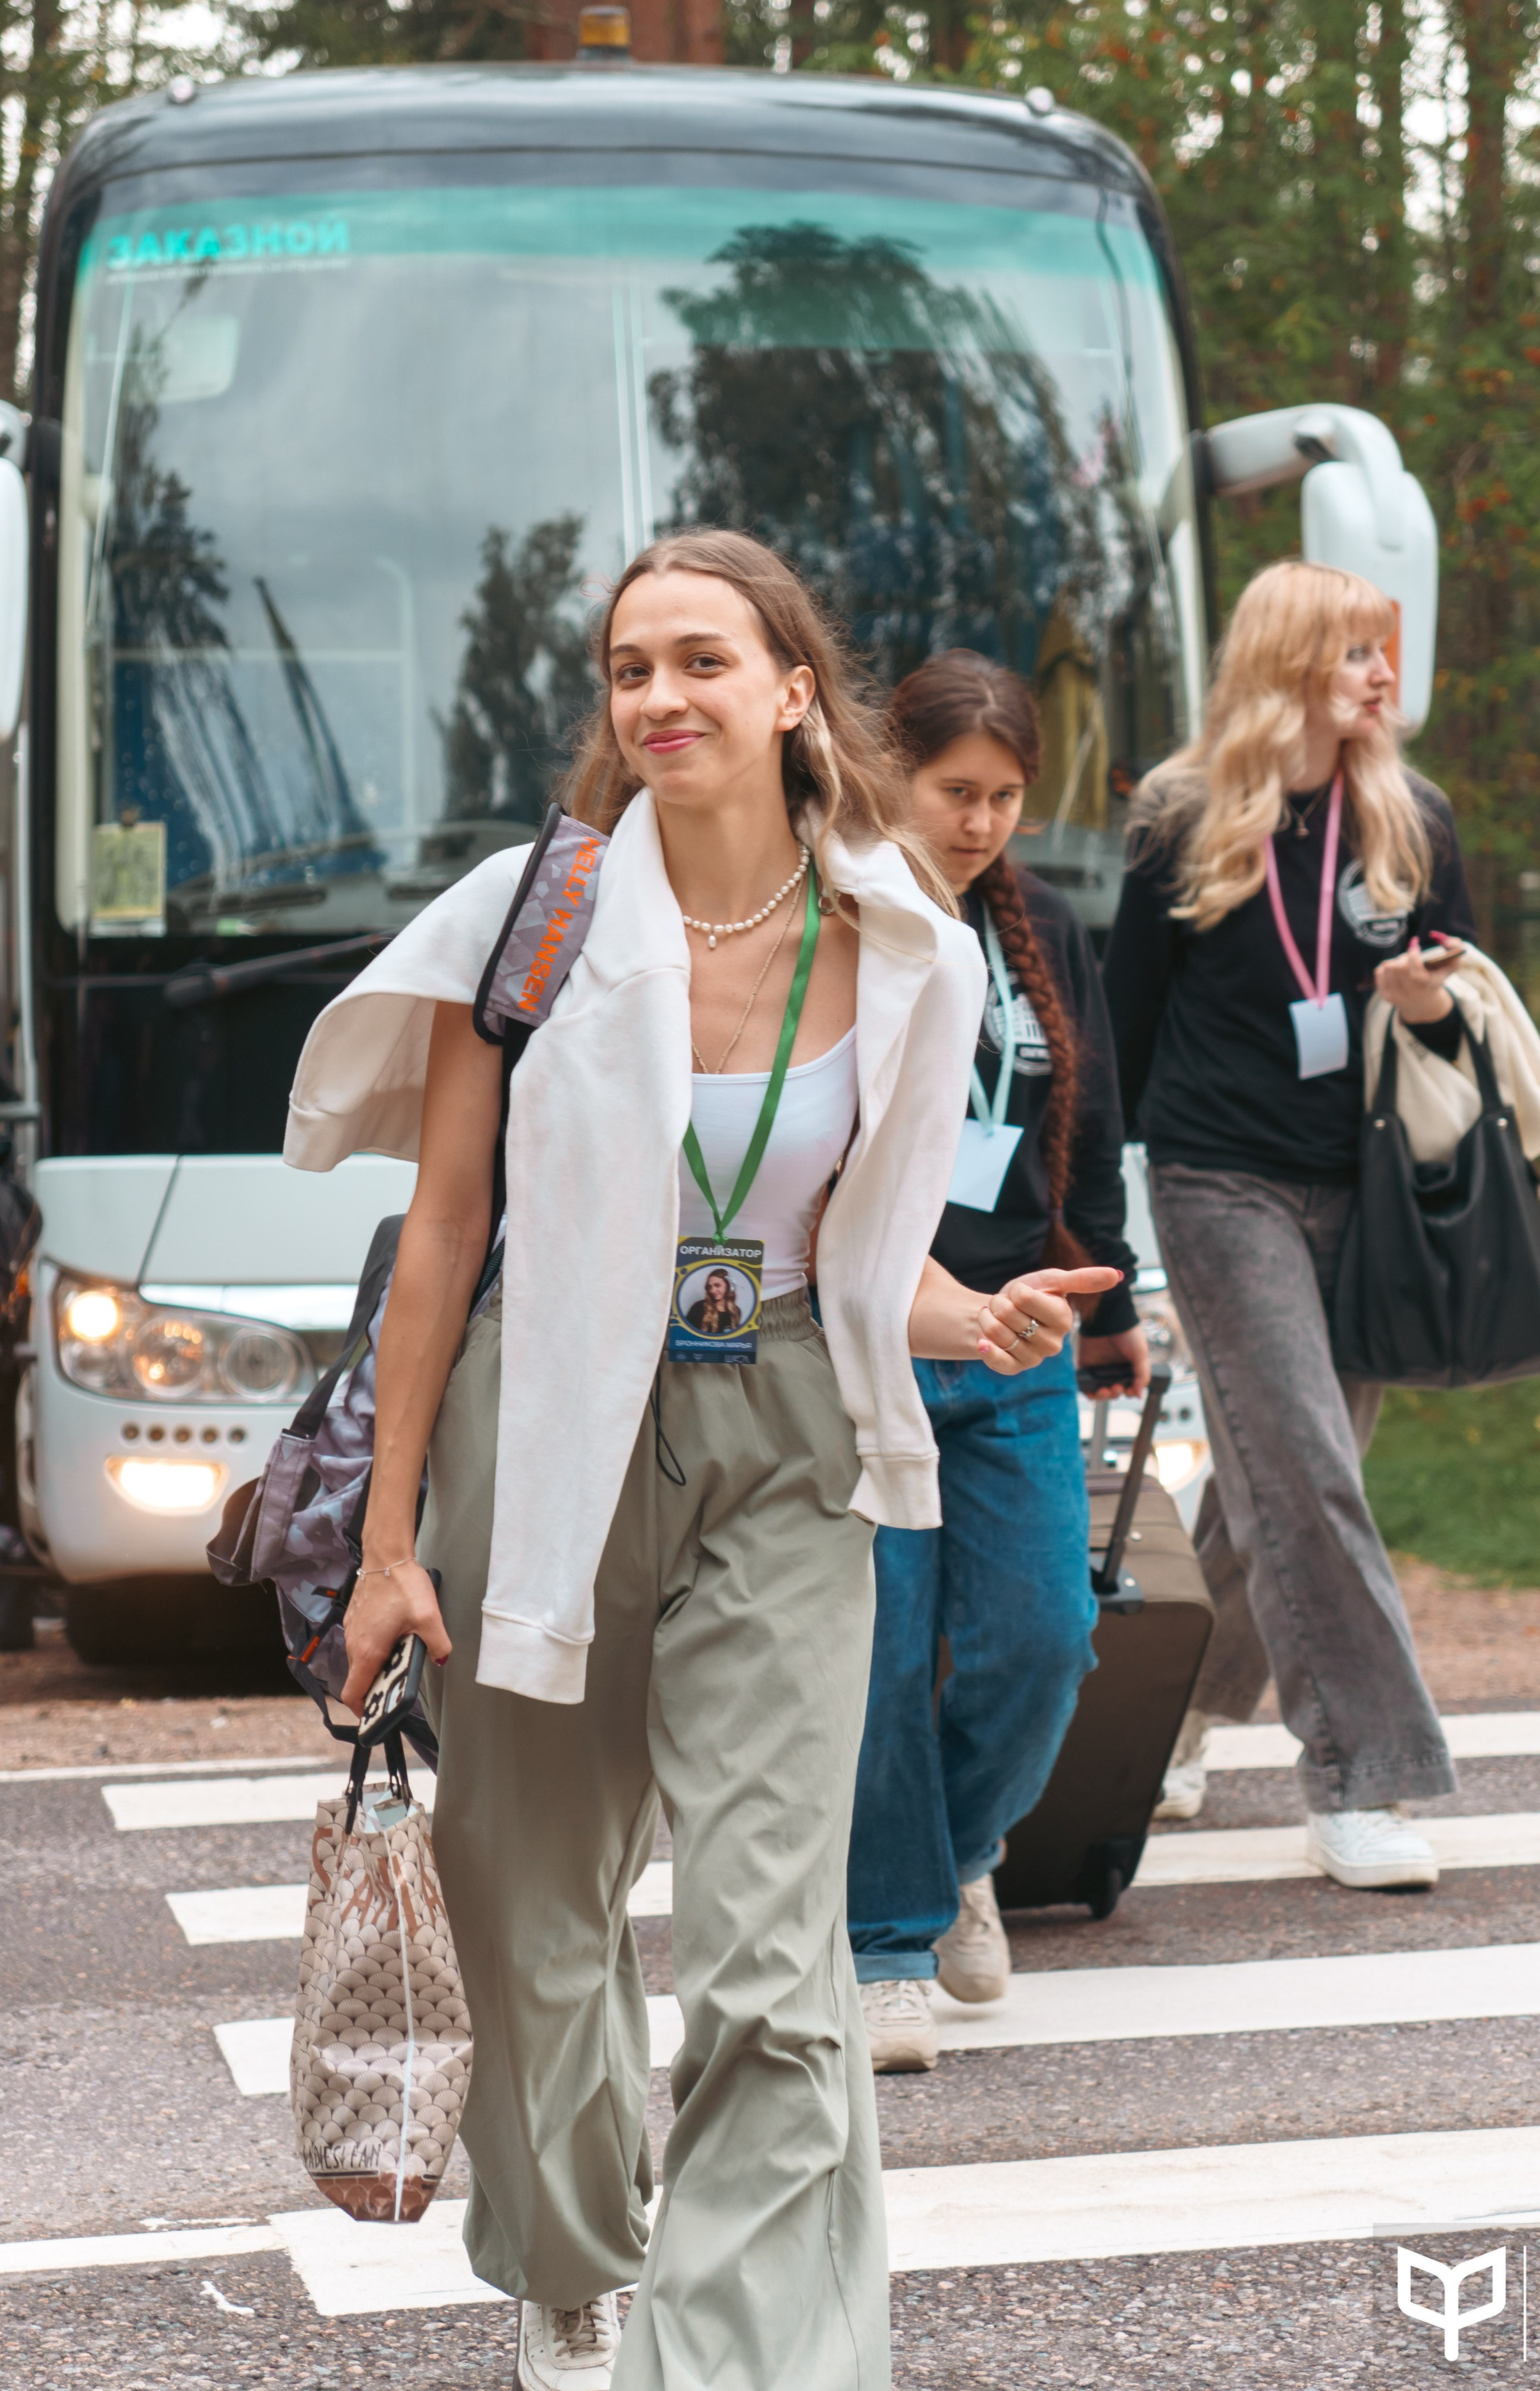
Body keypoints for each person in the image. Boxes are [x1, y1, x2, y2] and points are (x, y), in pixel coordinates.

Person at [285, 529, 1120, 2391]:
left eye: (700, 663)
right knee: (535, 1908)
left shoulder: (904, 935)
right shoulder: (539, 918)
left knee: (767, 1953)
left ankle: (732, 2356)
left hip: (782, 1441)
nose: (659, 698)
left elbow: (848, 1245)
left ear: (794, 691)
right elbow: (442, 1239)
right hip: (542, 1426)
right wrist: (388, 1537)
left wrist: (962, 1319)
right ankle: (573, 2256)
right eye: (627, 670)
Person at [1101, 560, 1472, 1890]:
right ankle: (1363, 1778)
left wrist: (1432, 1003)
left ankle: (1166, 1725)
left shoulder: (1411, 816)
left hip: (1369, 1188)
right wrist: (1102, 1217)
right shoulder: (1183, 814)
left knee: (1283, 1483)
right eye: (1364, 653)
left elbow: (1474, 1008)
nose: (1386, 677)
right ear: (1293, 660)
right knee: (1305, 1470)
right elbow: (1122, 1024)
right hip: (1220, 1184)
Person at [847, 650, 1147, 2073]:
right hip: (875, 1336)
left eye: (1003, 798)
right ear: (886, 777)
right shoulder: (840, 923)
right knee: (884, 1653)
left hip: (1020, 1332)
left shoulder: (1044, 933)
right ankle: (885, 1943)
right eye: (952, 792)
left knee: (1045, 1640)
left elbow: (1079, 1135)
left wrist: (1111, 1304)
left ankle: (956, 1853)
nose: (976, 823)